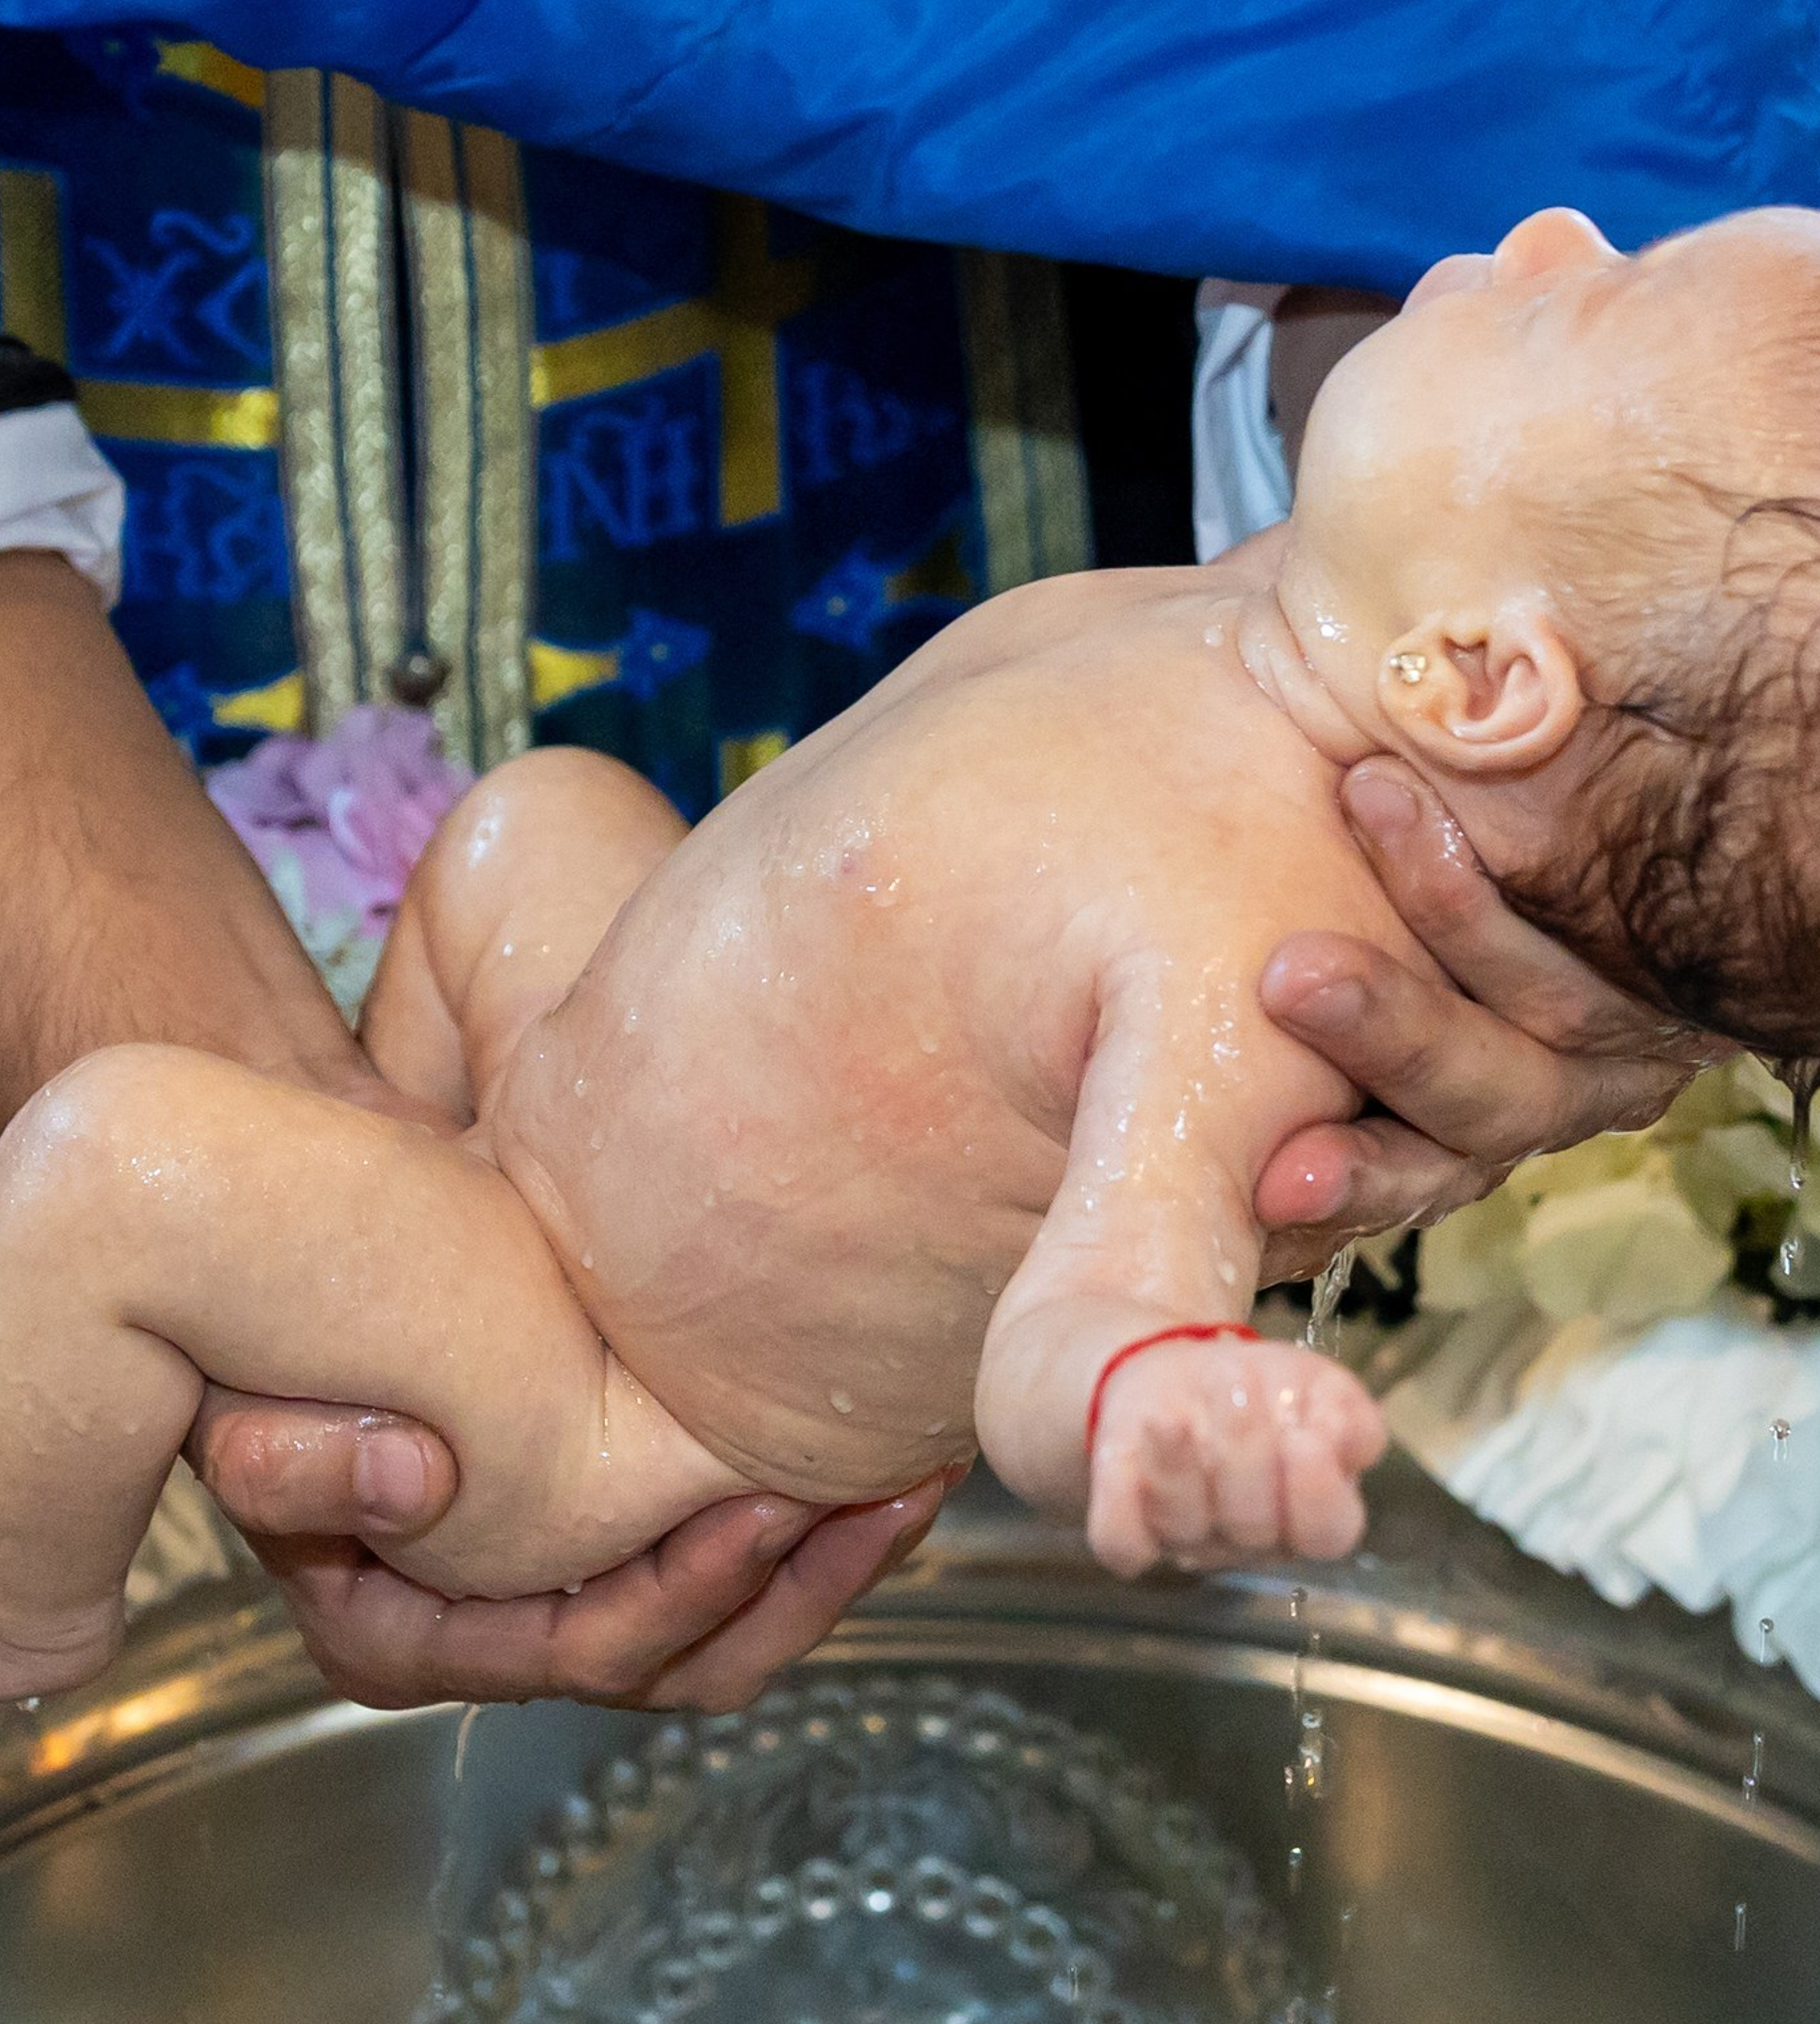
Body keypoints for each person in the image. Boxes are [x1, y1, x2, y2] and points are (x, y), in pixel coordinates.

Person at [0, 202, 1743, 1698]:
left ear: (1475, 682)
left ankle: (35, 1626)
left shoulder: (1244, 962)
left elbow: (1099, 1300)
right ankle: (381, 1191)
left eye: (1579, 299)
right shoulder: (1296, 612)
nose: (1548, 224)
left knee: (107, 1155)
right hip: (590, 1113)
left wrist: (1162, 1392)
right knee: (538, 812)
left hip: (598, 1367)